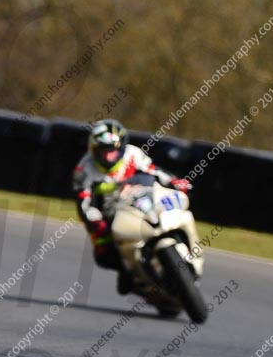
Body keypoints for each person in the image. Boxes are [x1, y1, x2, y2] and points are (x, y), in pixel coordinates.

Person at [72, 119, 191, 295]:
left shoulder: (133, 154)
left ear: (121, 148)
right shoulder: (84, 170)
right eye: (103, 151)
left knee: (171, 208)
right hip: (107, 215)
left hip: (139, 200)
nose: (108, 156)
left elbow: (153, 171)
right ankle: (128, 272)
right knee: (104, 254)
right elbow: (84, 203)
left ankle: (184, 247)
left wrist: (174, 181)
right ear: (93, 149)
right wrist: (96, 222)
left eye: (112, 151)